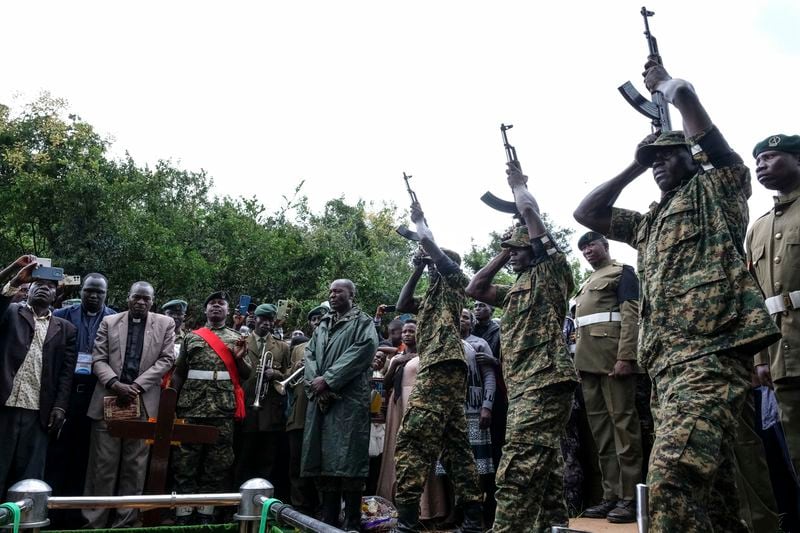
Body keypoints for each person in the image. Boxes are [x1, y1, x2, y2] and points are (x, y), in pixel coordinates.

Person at [572, 62, 780, 532]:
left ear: (692, 156)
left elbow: (693, 108)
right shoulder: (650, 221)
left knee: (671, 482)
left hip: (711, 358)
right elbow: (587, 212)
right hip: (666, 368)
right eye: (656, 161)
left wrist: (672, 89)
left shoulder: (718, 189)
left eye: (670, 156)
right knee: (717, 495)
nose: (660, 165)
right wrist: (636, 162)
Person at [467, 165, 577, 532]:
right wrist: (504, 250)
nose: (513, 255)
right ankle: (552, 527)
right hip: (524, 386)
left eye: (519, 250)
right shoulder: (515, 289)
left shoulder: (552, 272)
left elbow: (530, 213)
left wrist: (519, 186)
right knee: (543, 471)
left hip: (545, 381)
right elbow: (475, 288)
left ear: (536, 248)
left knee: (516, 467)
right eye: (509, 251)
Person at [394, 202, 483, 533]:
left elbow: (443, 263)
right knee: (456, 446)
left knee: (413, 440)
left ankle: (405, 523)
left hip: (442, 367)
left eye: (434, 265)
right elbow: (403, 305)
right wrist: (417, 268)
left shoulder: (455, 281)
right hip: (442, 369)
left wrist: (420, 228)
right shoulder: (432, 296)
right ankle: (473, 521)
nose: (432, 268)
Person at [82, 281, 176, 528]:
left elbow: (167, 359)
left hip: (143, 402)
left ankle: (125, 523)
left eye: (146, 298)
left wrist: (136, 386)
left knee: (134, 467)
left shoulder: (165, 324)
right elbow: (98, 358)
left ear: (153, 301)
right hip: (109, 399)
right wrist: (115, 383)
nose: (141, 302)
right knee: (102, 466)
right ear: (128, 298)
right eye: (137, 297)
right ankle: (94, 522)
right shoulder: (110, 322)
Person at [572, 231, 642, 523]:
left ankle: (629, 498)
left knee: (623, 428)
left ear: (605, 245)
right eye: (583, 248)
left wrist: (626, 356)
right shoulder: (585, 283)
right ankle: (610, 495)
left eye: (591, 245)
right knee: (601, 433)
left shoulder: (622, 272)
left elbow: (631, 315)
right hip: (587, 365)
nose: (587, 250)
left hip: (613, 362)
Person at [301, 280, 378, 530]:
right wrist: (315, 384)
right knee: (324, 460)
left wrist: (330, 380)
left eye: (338, 291)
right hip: (321, 402)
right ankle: (329, 518)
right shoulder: (322, 323)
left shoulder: (362, 322)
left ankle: (352, 520)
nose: (333, 295)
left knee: (349, 460)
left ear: (351, 294)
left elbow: (362, 351)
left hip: (348, 402)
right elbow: (310, 355)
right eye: (331, 292)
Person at [171, 291, 250, 525]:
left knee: (217, 464)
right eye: (212, 304)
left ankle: (207, 513)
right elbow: (179, 372)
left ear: (228, 310)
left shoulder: (237, 338)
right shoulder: (191, 337)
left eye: (221, 304)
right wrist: (172, 403)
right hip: (191, 407)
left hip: (222, 410)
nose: (216, 307)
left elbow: (245, 375)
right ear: (205, 310)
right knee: (185, 461)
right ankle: (183, 514)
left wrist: (239, 358)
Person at [0, 256, 76, 497]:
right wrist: (14, 276)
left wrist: (60, 407)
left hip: (38, 412)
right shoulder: (10, 313)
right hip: (5, 406)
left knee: (28, 478)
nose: (44, 287)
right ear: (28, 288)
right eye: (38, 283)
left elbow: (66, 374)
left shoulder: (65, 329)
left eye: (50, 285)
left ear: (56, 294)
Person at [747, 134, 800, 476]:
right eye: (757, 161)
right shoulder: (758, 228)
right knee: (795, 449)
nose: (760, 166)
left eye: (769, 157)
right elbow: (755, 298)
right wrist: (760, 359)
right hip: (781, 355)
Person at [46, 273, 115, 528]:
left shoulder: (114, 318)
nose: (93, 296)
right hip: (65, 389)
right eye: (89, 291)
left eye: (99, 292)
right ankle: (51, 512)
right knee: (58, 452)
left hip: (96, 392)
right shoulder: (63, 314)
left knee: (87, 456)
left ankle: (76, 514)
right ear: (82, 291)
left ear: (107, 294)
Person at [237, 303, 289, 487]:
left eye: (270, 320)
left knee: (267, 459)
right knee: (243, 456)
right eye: (263, 318)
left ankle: (264, 502)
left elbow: (288, 374)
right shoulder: (241, 341)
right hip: (245, 406)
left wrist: (276, 374)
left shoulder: (282, 346)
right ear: (255, 319)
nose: (267, 323)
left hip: (270, 409)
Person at [285, 304, 327, 515]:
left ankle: (323, 508)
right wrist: (296, 367)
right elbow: (288, 381)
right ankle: (298, 507)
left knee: (322, 463)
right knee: (296, 463)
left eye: (322, 318)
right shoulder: (298, 349)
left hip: (324, 413)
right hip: (300, 412)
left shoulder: (335, 343)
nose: (318, 322)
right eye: (314, 319)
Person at [459, 309, 496, 523]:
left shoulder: (479, 343)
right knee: (452, 465)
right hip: (452, 411)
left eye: (465, 317)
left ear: (472, 323)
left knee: (478, 466)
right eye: (458, 316)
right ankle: (457, 510)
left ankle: (478, 513)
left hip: (474, 410)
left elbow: (489, 376)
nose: (461, 320)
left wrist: (487, 406)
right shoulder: (446, 342)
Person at [472, 300, 505, 526]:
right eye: (475, 305)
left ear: (492, 309)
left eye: (483, 305)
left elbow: (512, 359)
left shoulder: (499, 330)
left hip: (497, 397)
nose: (478, 308)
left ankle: (493, 511)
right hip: (469, 404)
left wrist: (494, 361)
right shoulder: (470, 333)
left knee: (494, 453)